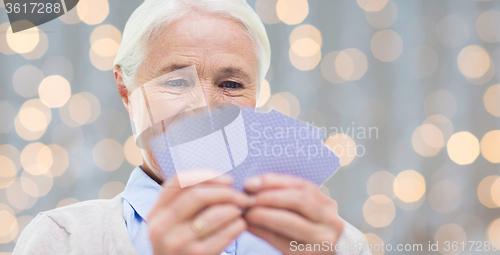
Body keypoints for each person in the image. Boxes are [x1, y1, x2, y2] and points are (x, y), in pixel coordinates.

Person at [13, 0, 371, 254]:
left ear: (257, 97)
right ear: (126, 90)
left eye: (231, 85)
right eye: (176, 82)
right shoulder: (64, 240)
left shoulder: (336, 244)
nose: (203, 108)